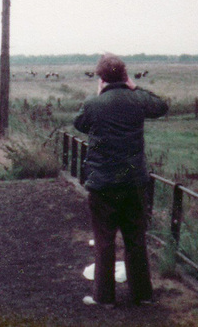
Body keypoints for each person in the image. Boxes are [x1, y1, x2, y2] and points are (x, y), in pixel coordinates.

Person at [73, 53, 168, 306]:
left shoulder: (94, 103)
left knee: (104, 241)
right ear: (125, 75)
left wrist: (100, 94)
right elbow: (162, 106)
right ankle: (143, 295)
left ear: (101, 77)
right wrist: (135, 86)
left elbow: (79, 124)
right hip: (134, 181)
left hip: (103, 184)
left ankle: (104, 298)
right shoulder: (137, 99)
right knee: (136, 238)